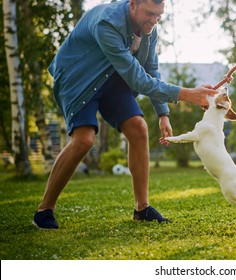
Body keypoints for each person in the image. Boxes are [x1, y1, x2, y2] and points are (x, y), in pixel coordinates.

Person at [33, 0, 217, 229]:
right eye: (149, 13)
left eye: (159, 15)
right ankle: (44, 210)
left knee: (139, 129)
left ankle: (142, 208)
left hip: (113, 80)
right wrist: (188, 94)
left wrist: (163, 113)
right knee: (84, 140)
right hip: (78, 78)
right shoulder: (107, 22)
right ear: (133, 4)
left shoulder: (151, 28)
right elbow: (137, 78)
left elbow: (151, 69)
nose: (154, 20)